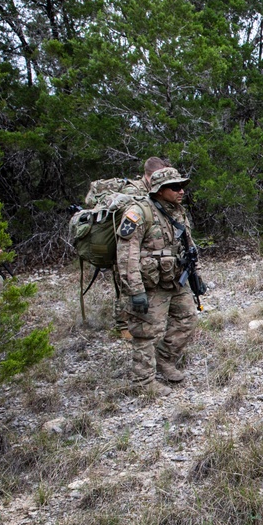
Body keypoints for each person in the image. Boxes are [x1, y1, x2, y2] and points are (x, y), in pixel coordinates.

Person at [115, 167, 198, 397]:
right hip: (151, 284)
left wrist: (195, 275)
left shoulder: (177, 211)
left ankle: (165, 360)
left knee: (187, 319)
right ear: (159, 190)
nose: (181, 191)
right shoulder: (139, 213)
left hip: (176, 280)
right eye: (175, 187)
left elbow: (188, 245)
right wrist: (135, 290)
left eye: (182, 186)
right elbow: (126, 254)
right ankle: (143, 382)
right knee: (146, 332)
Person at [112, 157, 171, 339]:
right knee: (126, 284)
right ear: (150, 175)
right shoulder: (133, 191)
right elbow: (130, 224)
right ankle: (123, 325)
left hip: (145, 246)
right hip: (126, 246)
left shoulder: (155, 190)